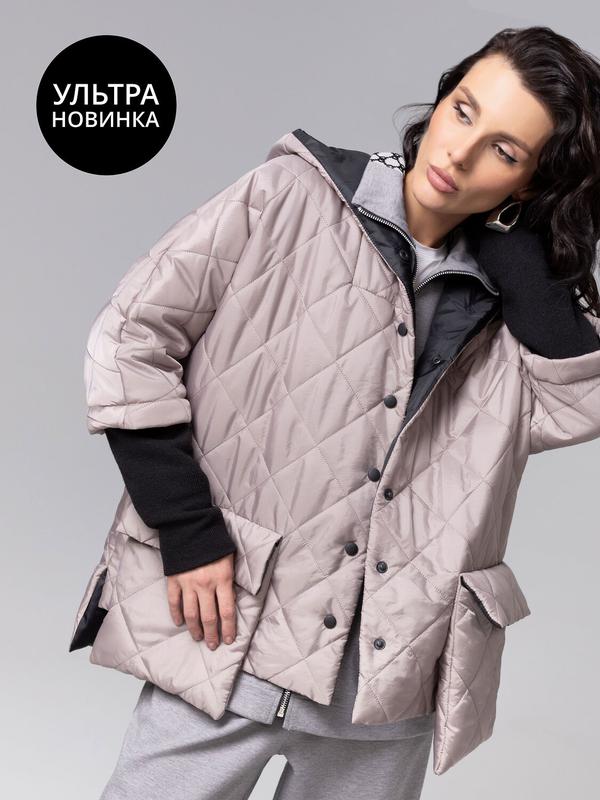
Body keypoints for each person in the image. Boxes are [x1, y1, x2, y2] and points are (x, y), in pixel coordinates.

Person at [69, 25, 600, 799]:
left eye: (504, 151)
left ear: (531, 183)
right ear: (441, 100)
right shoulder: (290, 196)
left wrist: (523, 261)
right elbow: (129, 340)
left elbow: (581, 402)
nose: (458, 152)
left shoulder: (513, 308)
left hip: (387, 689)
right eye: (462, 110)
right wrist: (184, 527)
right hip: (228, 643)